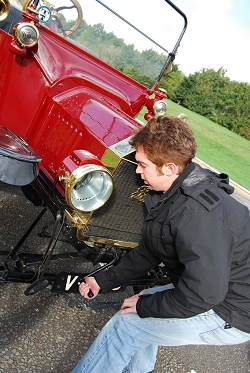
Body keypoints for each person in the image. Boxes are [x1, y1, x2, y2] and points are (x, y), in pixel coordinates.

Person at [71, 116, 250, 373]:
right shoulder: (173, 193)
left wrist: (145, 308)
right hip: (210, 291)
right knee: (139, 305)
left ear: (169, 168)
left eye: (143, 165)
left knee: (127, 326)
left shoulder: (198, 214)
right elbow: (150, 251)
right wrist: (103, 280)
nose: (137, 170)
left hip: (230, 310)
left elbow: (204, 295)